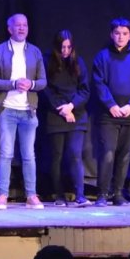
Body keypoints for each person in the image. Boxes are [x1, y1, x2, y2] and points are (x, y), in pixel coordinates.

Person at [0, 13, 47, 210]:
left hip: (29, 111)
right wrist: (12, 83)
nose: (22, 28)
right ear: (9, 28)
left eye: (25, 25)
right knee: (6, 153)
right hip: (7, 110)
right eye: (17, 25)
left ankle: (31, 196)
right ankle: (2, 195)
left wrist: (32, 83)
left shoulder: (35, 52)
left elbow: (43, 81)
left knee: (29, 155)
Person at [92, 18, 130, 206]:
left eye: (125, 34)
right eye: (117, 33)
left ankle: (117, 193)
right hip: (109, 115)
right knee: (108, 153)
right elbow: (99, 83)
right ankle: (102, 194)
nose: (121, 37)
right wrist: (111, 105)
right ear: (111, 34)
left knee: (124, 156)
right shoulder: (102, 56)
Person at [44, 30, 91, 207]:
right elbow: (46, 89)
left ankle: (80, 195)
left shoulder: (78, 63)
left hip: (76, 114)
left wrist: (71, 106)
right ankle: (59, 195)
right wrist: (62, 109)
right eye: (62, 47)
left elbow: (85, 90)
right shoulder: (48, 61)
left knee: (74, 154)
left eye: (68, 47)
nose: (65, 50)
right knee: (56, 157)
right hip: (56, 113)